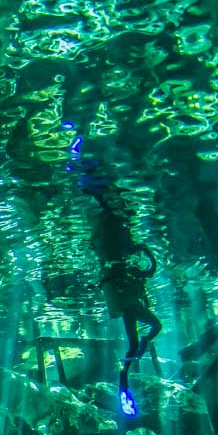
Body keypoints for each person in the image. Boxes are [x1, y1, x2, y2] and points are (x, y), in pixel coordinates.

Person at [78, 158, 162, 416]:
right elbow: (147, 269)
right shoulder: (126, 271)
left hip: (124, 301)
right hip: (126, 300)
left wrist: (142, 253)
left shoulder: (127, 272)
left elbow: (147, 269)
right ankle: (129, 367)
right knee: (154, 328)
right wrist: (143, 251)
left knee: (133, 342)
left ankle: (124, 378)